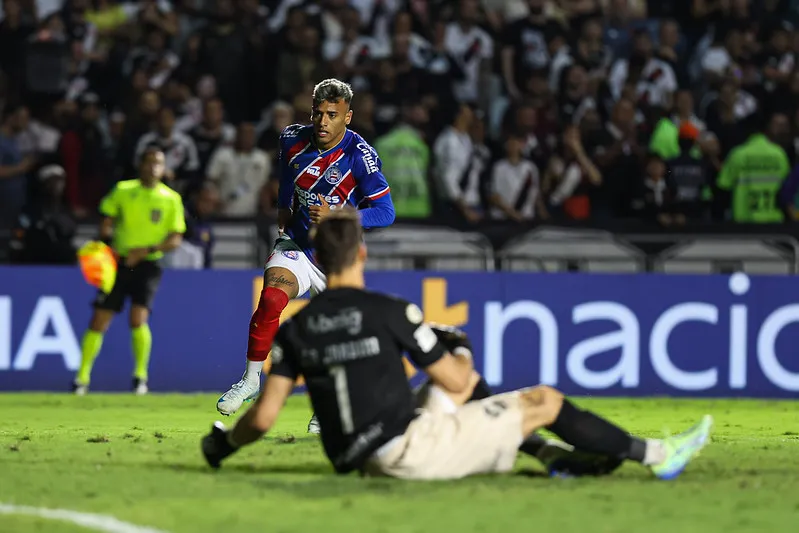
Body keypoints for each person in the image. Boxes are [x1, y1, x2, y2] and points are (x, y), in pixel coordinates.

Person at [202, 209, 713, 480]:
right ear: (361, 251)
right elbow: (458, 381)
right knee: (544, 400)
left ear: (318, 256)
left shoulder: (296, 327)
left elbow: (265, 417)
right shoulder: (391, 311)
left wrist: (222, 445)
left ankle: (550, 458)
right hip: (406, 453)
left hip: (357, 454)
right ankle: (658, 454)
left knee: (450, 396)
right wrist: (454, 346)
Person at [215, 79, 396, 431]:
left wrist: (339, 216)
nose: (323, 122)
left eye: (332, 115)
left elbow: (386, 212)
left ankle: (326, 406)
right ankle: (251, 381)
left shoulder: (360, 157)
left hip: (336, 257)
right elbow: (287, 176)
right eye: (318, 113)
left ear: (348, 117)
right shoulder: (291, 139)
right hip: (297, 244)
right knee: (270, 299)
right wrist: (284, 209)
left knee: (336, 334)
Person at [73, 146, 186, 395]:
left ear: (164, 168)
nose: (152, 167)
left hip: (149, 264)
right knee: (99, 319)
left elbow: (176, 238)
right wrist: (106, 238)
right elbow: (106, 218)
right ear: (140, 165)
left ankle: (140, 377)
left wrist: (145, 251)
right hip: (118, 262)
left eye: (158, 163)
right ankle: (81, 378)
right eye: (148, 162)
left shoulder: (170, 198)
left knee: (138, 317)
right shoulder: (123, 190)